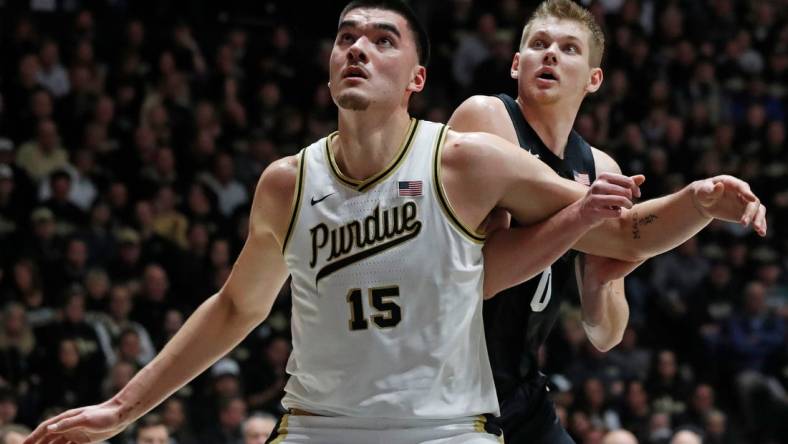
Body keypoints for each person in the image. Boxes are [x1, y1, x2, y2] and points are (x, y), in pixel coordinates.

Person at [25, 1, 766, 443]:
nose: (358, 47)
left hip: (450, 420)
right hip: (319, 422)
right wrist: (120, 407)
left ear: (417, 80)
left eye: (383, 39)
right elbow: (235, 307)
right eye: (347, 36)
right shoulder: (289, 182)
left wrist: (695, 203)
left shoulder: (467, 160)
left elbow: (624, 245)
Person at [447, 1, 765, 443]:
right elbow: (483, 279)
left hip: (520, 389)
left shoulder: (598, 166)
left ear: (594, 79)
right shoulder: (487, 118)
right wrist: (619, 222)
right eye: (539, 44)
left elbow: (606, 334)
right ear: (516, 64)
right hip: (449, 387)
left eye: (569, 48)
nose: (551, 54)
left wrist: (602, 279)